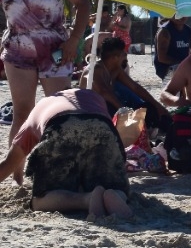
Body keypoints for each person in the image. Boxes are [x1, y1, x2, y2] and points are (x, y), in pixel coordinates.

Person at [0, 0, 92, 144]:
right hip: (17, 49)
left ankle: (61, 164)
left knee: (59, 110)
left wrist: (75, 39)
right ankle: (16, 170)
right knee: (22, 113)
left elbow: (82, 4)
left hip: (55, 49)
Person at [0, 87, 133, 220]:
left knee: (40, 199)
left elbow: (10, 162)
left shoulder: (40, 108)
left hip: (60, 125)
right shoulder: (93, 97)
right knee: (115, 184)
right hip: (101, 125)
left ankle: (86, 199)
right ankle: (115, 193)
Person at [89, 37, 170, 134]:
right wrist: (123, 110)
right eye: (123, 53)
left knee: (149, 107)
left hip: (110, 107)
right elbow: (104, 92)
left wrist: (158, 106)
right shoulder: (96, 69)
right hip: (95, 111)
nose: (125, 55)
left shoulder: (116, 70)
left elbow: (135, 87)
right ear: (115, 58)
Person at [153, 16, 191, 80]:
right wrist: (182, 64)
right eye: (176, 13)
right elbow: (162, 58)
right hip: (167, 70)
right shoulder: (165, 31)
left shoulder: (188, 30)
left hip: (183, 68)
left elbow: (190, 52)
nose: (180, 16)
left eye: (183, 13)